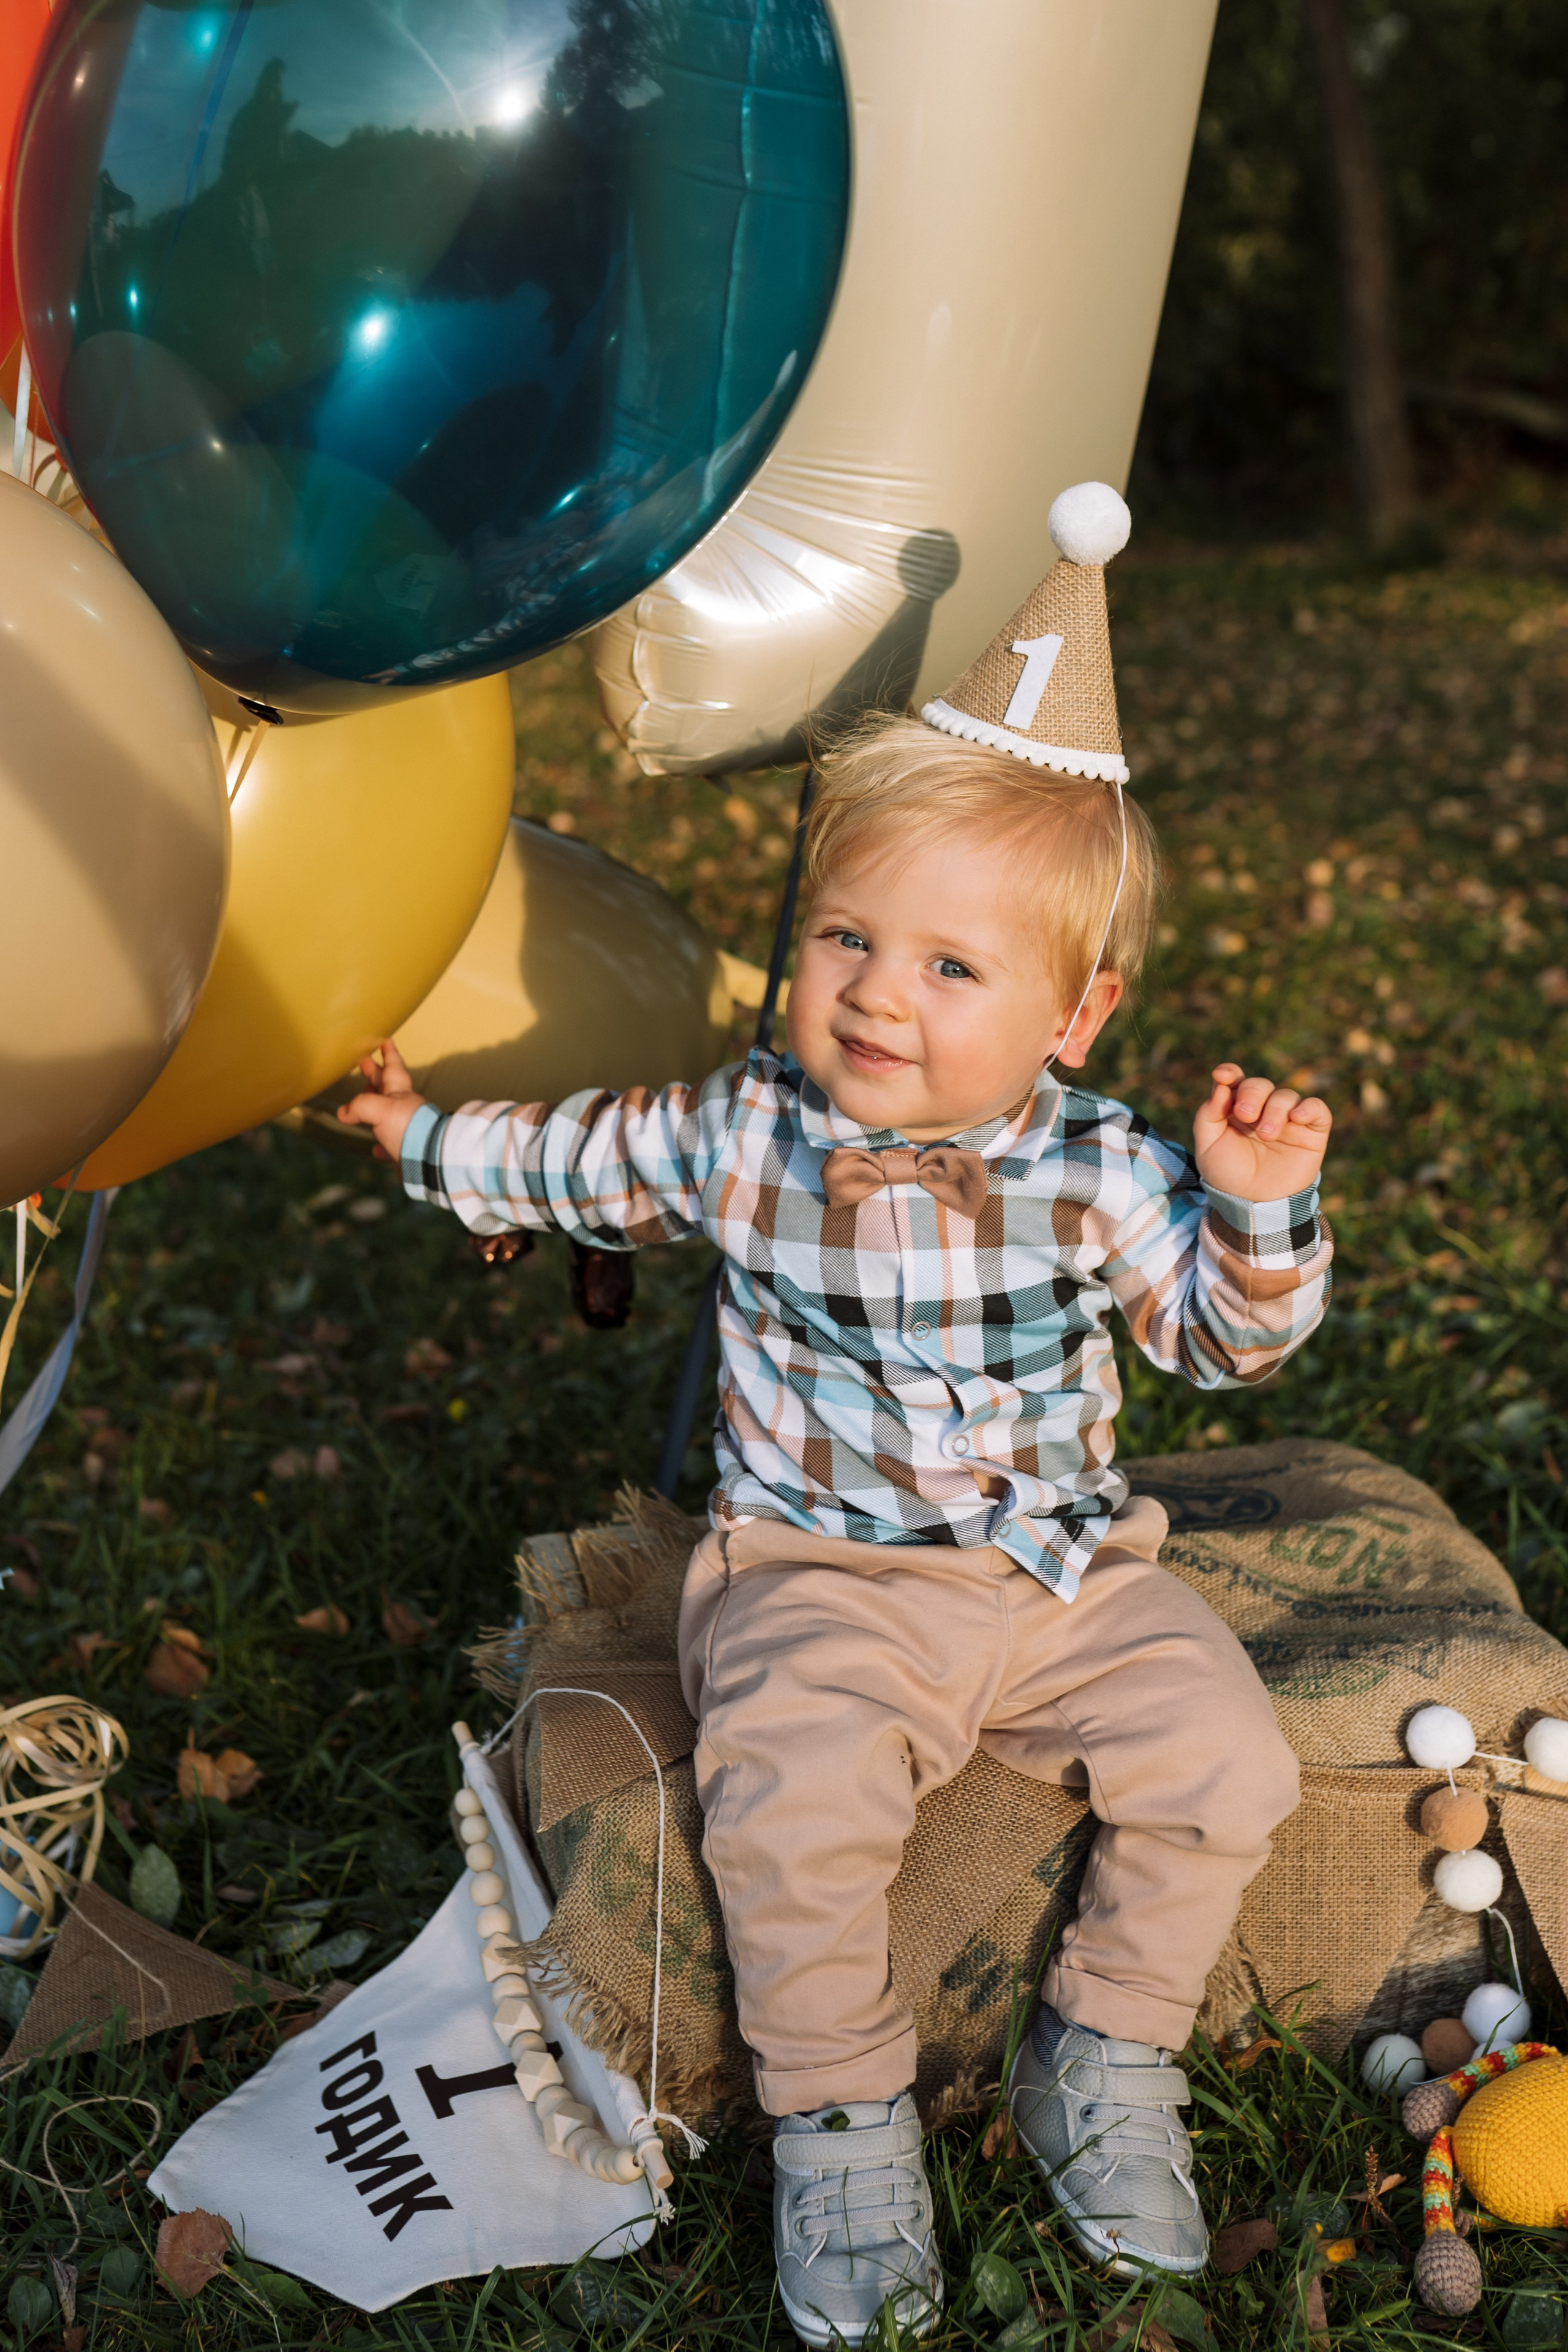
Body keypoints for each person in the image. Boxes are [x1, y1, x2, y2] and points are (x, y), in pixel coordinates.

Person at [341, 485, 1332, 2350]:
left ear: (1076, 1013)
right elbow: (571, 1159)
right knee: (788, 1808)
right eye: (846, 938)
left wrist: (1259, 1204)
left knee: (1228, 1756)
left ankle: (1108, 2051)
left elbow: (1223, 1342)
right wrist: (418, 1138)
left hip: (1057, 1570)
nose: (879, 993)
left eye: (953, 969)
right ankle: (842, 2118)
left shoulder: (1109, 1169)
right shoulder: (744, 1133)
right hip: (816, 1572)